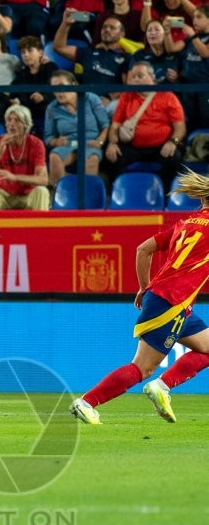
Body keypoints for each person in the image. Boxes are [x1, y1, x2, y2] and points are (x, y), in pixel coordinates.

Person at [71, 170, 209, 425]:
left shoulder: (185, 224)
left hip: (169, 299)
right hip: (171, 302)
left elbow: (143, 249)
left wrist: (145, 287)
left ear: (202, 201)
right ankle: (87, 402)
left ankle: (163, 386)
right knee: (143, 367)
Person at [103, 61, 186, 189]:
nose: (136, 80)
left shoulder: (168, 96)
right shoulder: (126, 96)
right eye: (133, 77)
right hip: (133, 146)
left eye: (140, 76)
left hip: (162, 145)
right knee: (111, 156)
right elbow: (115, 125)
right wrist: (112, 143)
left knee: (174, 158)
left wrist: (173, 142)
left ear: (152, 78)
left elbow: (180, 127)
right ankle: (123, 191)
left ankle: (166, 195)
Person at [43, 70, 109, 187]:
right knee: (54, 156)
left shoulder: (90, 98)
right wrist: (56, 141)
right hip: (70, 144)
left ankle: (88, 199)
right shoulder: (52, 108)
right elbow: (48, 137)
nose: (58, 92)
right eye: (55, 88)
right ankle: (60, 197)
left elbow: (105, 124)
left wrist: (100, 141)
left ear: (74, 85)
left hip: (90, 142)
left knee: (91, 159)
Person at [0, 104, 49, 211]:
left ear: (26, 125)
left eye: (17, 120)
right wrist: (0, 151)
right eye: (9, 120)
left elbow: (43, 180)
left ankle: (38, 227)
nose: (11, 124)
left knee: (42, 191)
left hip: (27, 194)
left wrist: (15, 177)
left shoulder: (36, 144)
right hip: (4, 194)